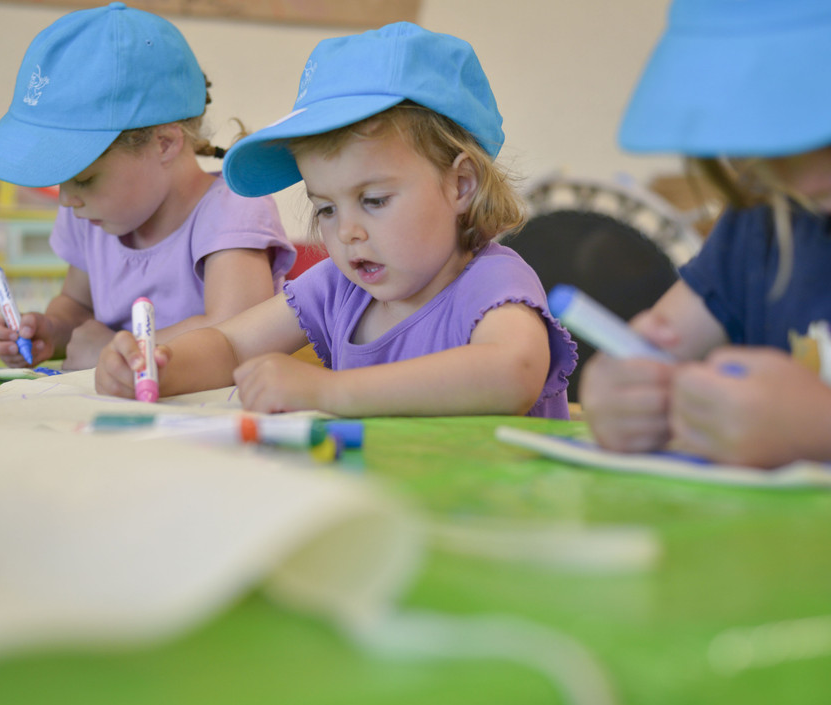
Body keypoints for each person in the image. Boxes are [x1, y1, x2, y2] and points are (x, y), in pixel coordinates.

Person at [95, 22, 576, 418]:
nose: (347, 232)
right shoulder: (339, 288)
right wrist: (158, 364)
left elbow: (512, 372)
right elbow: (231, 345)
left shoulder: (491, 280)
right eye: (326, 208)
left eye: (374, 200)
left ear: (461, 186)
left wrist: (331, 391)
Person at [0, 3, 295, 370]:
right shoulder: (93, 215)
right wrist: (50, 333)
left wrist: (116, 351)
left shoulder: (233, 209)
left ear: (164, 143)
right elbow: (78, 307)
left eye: (85, 178)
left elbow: (240, 329)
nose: (67, 199)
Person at [579, 0, 831, 467]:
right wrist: (625, 391)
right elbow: (658, 348)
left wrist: (820, 427)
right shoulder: (761, 221)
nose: (804, 180)